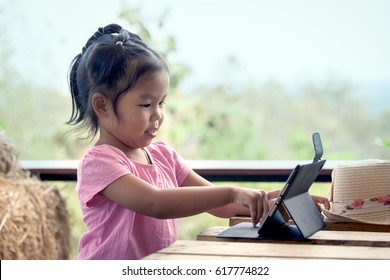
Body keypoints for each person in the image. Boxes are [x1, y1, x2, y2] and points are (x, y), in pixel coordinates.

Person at [67, 23, 330, 260]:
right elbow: (155, 203)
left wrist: (275, 203)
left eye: (161, 103)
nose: (158, 114)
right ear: (102, 105)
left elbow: (223, 206)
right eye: (146, 104)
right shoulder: (99, 162)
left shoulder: (163, 156)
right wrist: (233, 192)